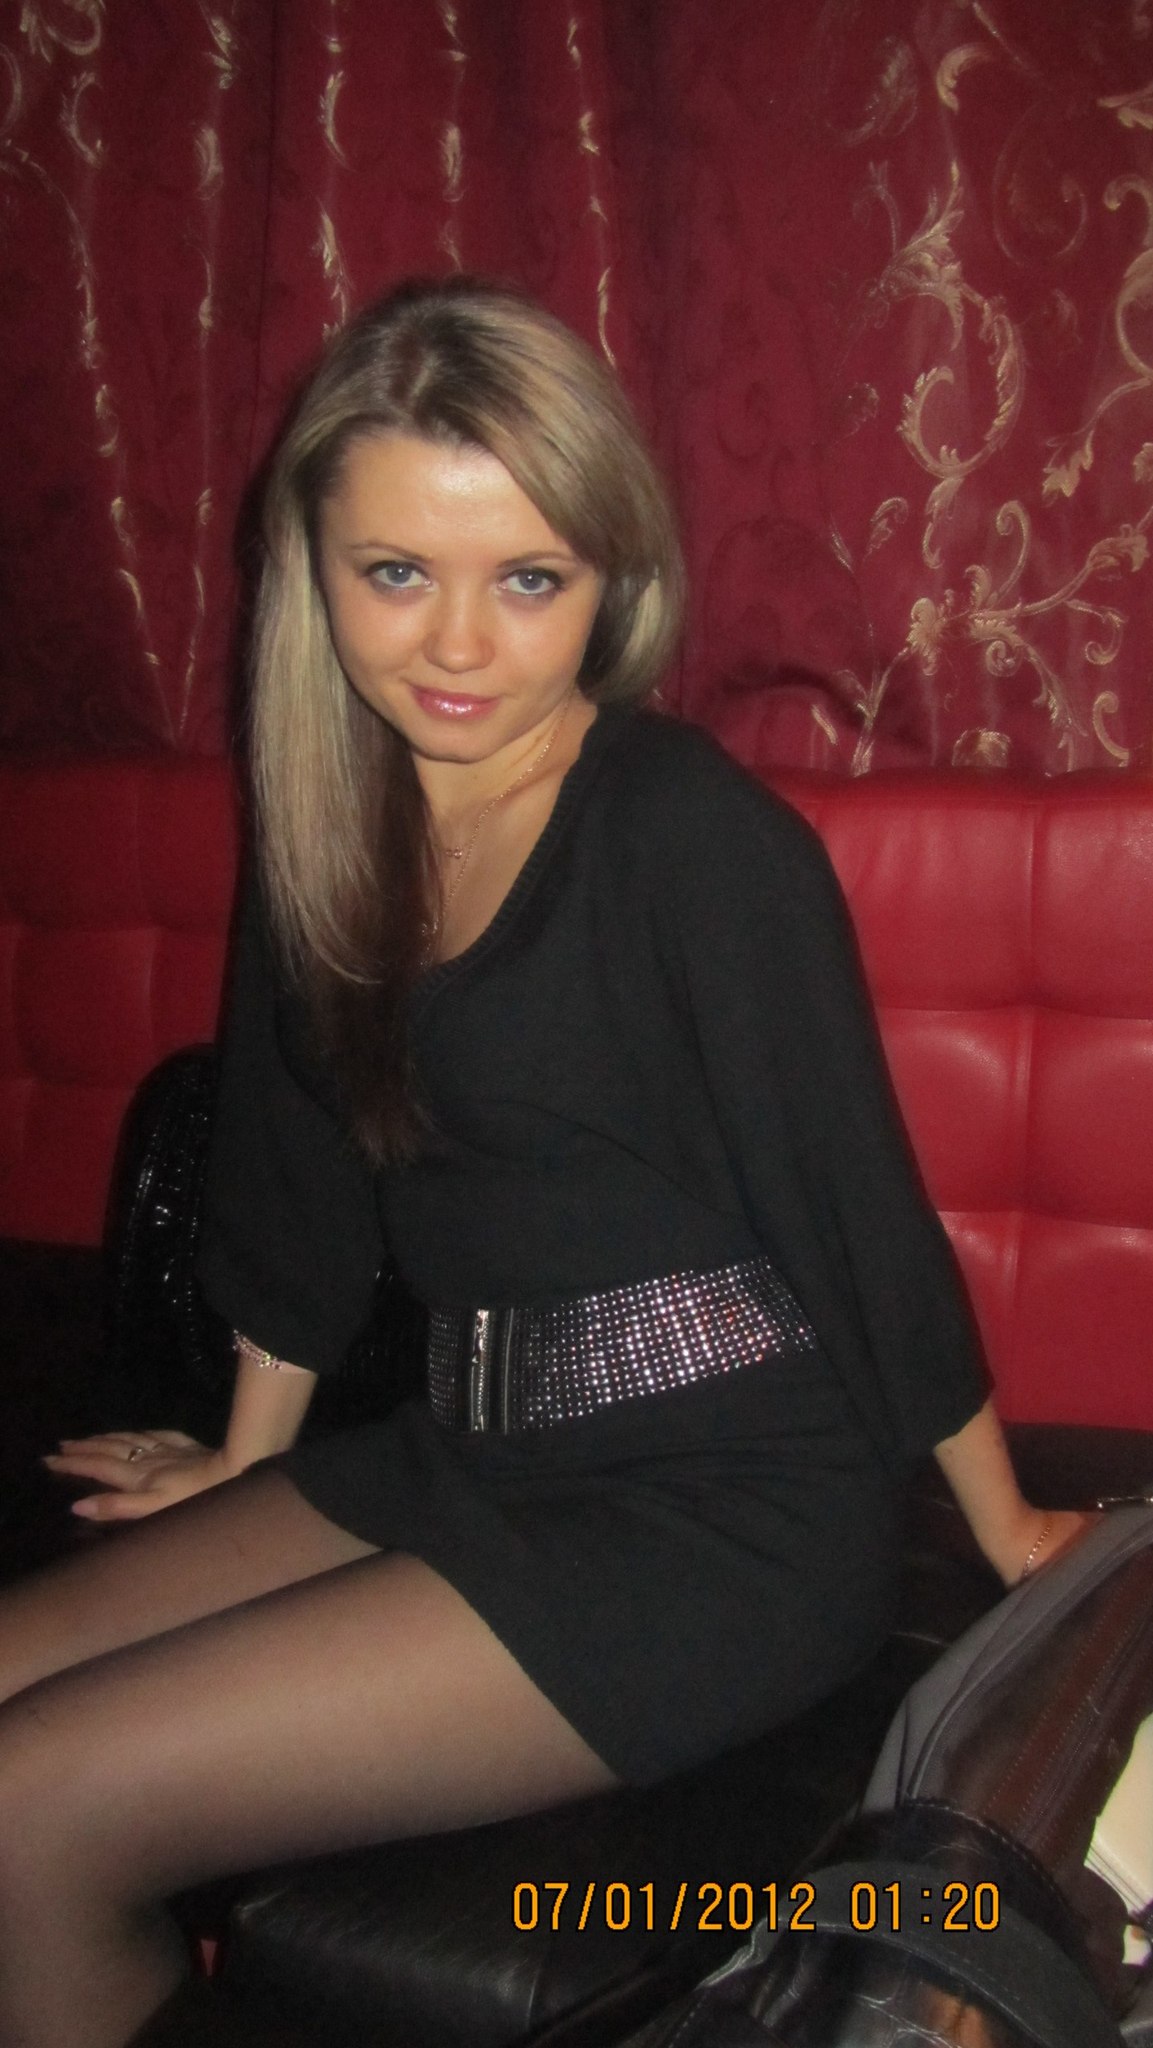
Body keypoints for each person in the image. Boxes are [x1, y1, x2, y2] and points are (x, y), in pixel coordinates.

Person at [0, 279, 1090, 2048]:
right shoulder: (324, 814)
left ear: (609, 579)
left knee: (31, 1804)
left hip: (719, 1512)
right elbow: (294, 1176)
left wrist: (1008, 1526)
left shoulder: (687, 837)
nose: (458, 642)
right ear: (310, 568)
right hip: (466, 1447)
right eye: (394, 571)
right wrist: (244, 1459)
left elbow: (853, 1210)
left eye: (527, 579)